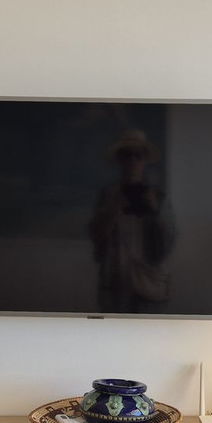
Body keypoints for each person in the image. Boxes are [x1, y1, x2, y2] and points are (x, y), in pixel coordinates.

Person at [90, 129, 176, 313]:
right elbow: (97, 238)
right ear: (120, 160)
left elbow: (168, 242)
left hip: (149, 283)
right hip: (115, 284)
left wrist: (155, 211)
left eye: (138, 155)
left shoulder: (159, 197)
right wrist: (113, 211)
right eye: (127, 155)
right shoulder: (108, 196)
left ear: (145, 160)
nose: (133, 161)